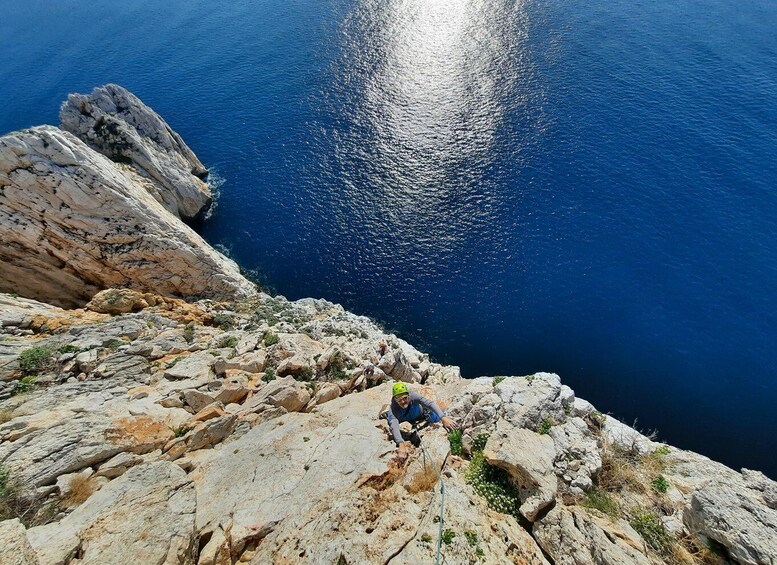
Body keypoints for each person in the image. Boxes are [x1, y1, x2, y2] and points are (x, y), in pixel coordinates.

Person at [386, 382, 458, 452]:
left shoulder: (413, 396)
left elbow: (428, 403)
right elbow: (394, 425)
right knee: (390, 420)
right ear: (395, 400)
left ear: (408, 395)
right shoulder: (393, 409)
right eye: (399, 400)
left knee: (436, 416)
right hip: (406, 418)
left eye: (405, 398)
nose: (402, 401)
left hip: (420, 414)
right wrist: (401, 444)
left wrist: (443, 417)